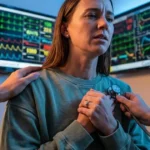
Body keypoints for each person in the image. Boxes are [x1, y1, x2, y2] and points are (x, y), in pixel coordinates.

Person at [0, 0, 150, 149]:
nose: (104, 24)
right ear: (65, 29)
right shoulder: (31, 87)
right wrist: (81, 129)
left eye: (110, 19)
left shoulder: (124, 91)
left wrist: (111, 129)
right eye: (92, 15)